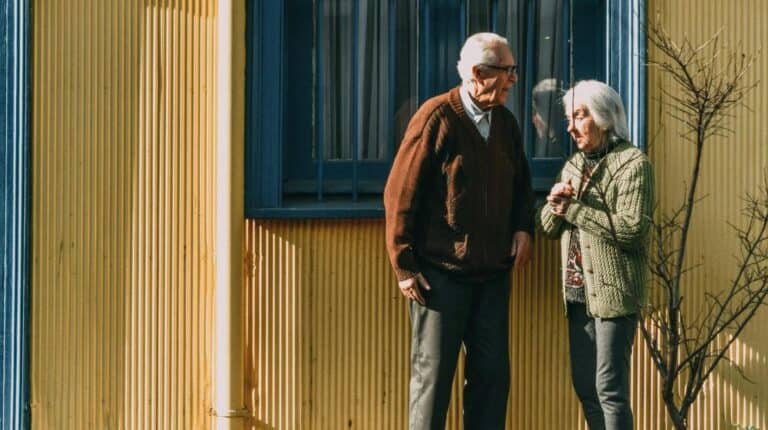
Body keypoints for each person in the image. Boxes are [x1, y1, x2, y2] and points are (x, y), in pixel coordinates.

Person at [384, 32, 534, 430]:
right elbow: (400, 194)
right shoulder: (436, 118)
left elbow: (521, 183)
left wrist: (523, 228)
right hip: (439, 276)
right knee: (433, 382)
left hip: (492, 274)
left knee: (492, 380)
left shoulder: (505, 122)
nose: (513, 81)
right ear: (477, 73)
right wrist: (404, 265)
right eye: (508, 72)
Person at [537, 80, 654, 430]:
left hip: (613, 295)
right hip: (577, 295)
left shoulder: (633, 164)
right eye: (569, 118)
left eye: (579, 116)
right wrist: (555, 202)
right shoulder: (575, 164)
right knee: (585, 386)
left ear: (603, 117)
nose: (570, 127)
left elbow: (632, 230)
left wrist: (573, 210)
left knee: (609, 389)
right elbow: (547, 227)